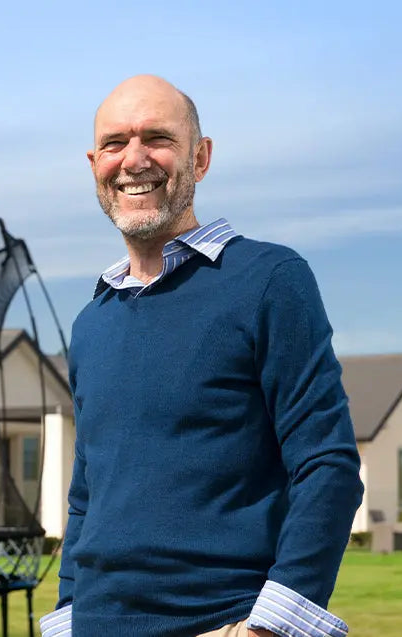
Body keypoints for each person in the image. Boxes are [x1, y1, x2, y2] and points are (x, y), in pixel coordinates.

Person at [40, 75, 364, 637]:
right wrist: (65, 622)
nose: (134, 159)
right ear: (94, 162)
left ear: (201, 156)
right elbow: (87, 496)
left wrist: (268, 628)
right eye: (115, 143)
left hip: (220, 619)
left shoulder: (268, 280)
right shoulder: (92, 322)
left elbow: (327, 465)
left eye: (157, 138)